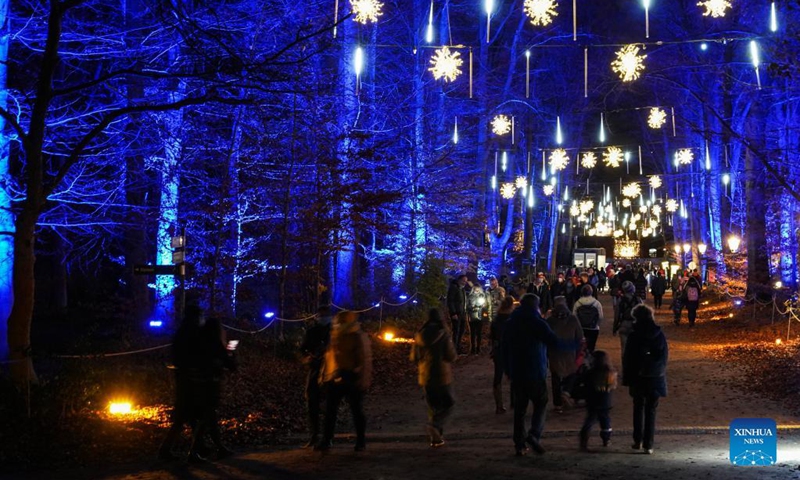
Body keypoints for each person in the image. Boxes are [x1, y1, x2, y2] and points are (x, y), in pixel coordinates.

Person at [159, 306, 235, 462]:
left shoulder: (185, 333)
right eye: (201, 316)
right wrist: (230, 350)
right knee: (200, 416)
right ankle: (193, 450)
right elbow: (224, 361)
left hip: (189, 381)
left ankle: (201, 447)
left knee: (194, 416)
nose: (202, 319)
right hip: (197, 382)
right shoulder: (196, 336)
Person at [503, 294, 568, 456]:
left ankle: (519, 444)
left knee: (520, 409)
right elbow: (553, 341)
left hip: (517, 371)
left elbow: (503, 348)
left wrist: (507, 369)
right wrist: (572, 345)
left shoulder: (511, 323)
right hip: (535, 370)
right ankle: (534, 434)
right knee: (540, 403)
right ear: (536, 306)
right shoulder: (538, 323)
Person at [316, 311, 372, 452]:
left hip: (351, 377)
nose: (338, 323)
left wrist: (361, 379)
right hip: (335, 376)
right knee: (330, 411)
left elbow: (364, 359)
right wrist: (324, 375)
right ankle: (327, 440)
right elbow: (329, 357)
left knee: (356, 410)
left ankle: (360, 440)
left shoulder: (356, 336)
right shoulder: (335, 335)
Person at [623, 305, 668, 455]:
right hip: (655, 375)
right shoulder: (659, 334)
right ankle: (649, 444)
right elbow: (664, 356)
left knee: (638, 407)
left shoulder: (634, 335)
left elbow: (628, 358)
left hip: (638, 375)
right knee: (651, 410)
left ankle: (637, 440)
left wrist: (627, 378)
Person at [410, 309, 457, 447]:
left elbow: (414, 357)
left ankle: (436, 438)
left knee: (434, 406)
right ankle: (435, 426)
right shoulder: (443, 335)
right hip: (442, 375)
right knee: (449, 404)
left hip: (426, 376)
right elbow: (451, 356)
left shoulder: (420, 335)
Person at [300, 306, 332, 447]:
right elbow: (303, 348)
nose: (322, 317)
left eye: (324, 315)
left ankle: (326, 437)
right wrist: (308, 357)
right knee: (312, 402)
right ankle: (314, 435)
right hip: (315, 369)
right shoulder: (312, 331)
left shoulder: (334, 332)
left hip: (330, 371)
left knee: (328, 405)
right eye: (321, 315)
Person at [546, 296, 584, 414]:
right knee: (571, 372)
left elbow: (546, 336)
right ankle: (567, 392)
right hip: (570, 350)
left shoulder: (550, 320)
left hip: (555, 351)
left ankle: (557, 404)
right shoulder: (572, 318)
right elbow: (580, 335)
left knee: (556, 376)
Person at [579, 350, 617, 451]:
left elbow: (585, 384)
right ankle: (606, 439)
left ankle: (584, 440)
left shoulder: (591, 373)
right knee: (605, 421)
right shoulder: (611, 373)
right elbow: (613, 386)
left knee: (590, 420)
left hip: (593, 401)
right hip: (606, 401)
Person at [491, 296, 515, 414]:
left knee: (498, 377)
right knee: (514, 376)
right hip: (510, 349)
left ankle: (499, 405)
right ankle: (514, 401)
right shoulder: (513, 319)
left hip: (499, 349)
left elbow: (492, 336)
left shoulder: (496, 319)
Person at [613, 281, 642, 370]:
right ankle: (635, 367)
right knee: (636, 347)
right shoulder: (638, 299)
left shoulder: (620, 300)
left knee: (624, 349)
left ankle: (626, 368)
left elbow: (617, 315)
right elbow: (642, 313)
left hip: (624, 324)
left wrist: (615, 327)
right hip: (635, 325)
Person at [573, 284, 604, 353]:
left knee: (581, 348)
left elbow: (574, 316)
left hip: (581, 328)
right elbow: (601, 316)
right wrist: (597, 324)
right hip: (593, 328)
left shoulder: (578, 303)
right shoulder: (596, 303)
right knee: (591, 347)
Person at [447, 275, 468, 354]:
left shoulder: (462, 289)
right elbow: (450, 301)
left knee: (461, 330)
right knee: (456, 330)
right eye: (463, 280)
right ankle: (454, 348)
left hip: (462, 312)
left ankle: (458, 346)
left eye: (466, 281)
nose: (465, 283)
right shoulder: (454, 288)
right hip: (456, 313)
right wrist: (453, 313)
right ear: (459, 280)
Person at [467, 283, 488, 354]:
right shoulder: (470, 296)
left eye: (478, 288)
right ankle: (473, 348)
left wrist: (483, 306)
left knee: (479, 333)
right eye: (476, 288)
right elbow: (467, 306)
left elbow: (485, 306)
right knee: (472, 333)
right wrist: (472, 307)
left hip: (480, 316)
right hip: (472, 316)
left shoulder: (482, 295)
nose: (477, 290)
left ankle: (478, 348)